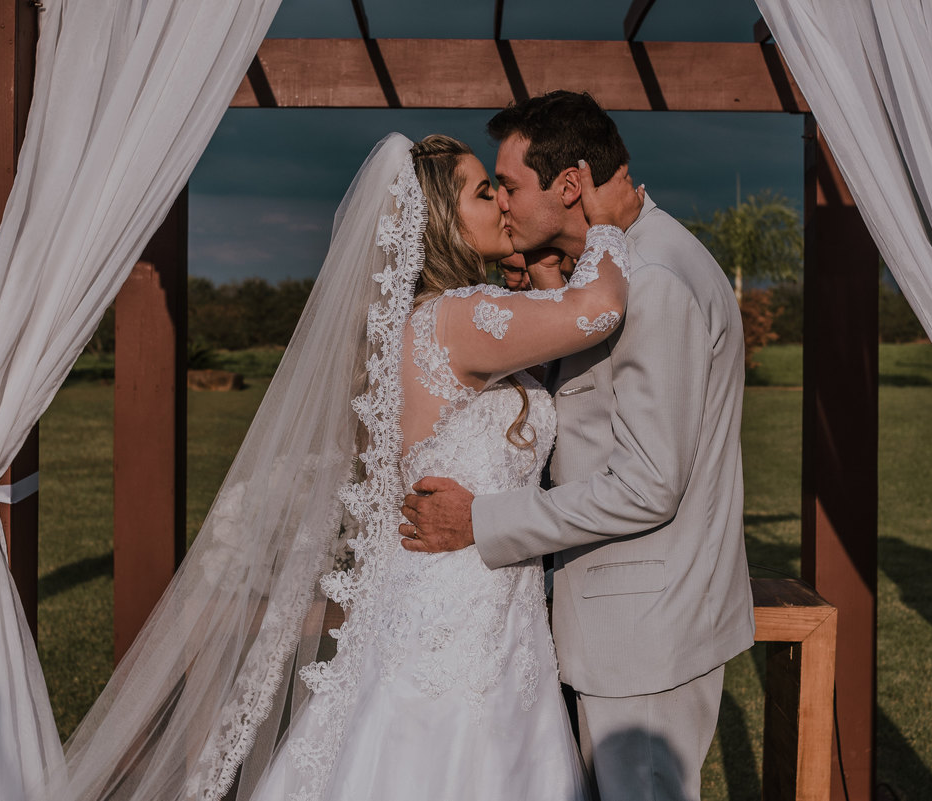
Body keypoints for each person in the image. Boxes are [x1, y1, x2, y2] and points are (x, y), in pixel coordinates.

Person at [51, 132, 642, 801]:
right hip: (455, 620)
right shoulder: (458, 318)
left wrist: (541, 276)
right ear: (440, 220)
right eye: (485, 193)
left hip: (483, 609)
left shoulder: (433, 321)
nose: (504, 204)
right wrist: (607, 228)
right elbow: (599, 310)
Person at [401, 91, 755, 801]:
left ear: (569, 185)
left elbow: (648, 485)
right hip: (570, 629)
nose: (503, 204)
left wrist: (482, 520)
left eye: (507, 185)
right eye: (490, 190)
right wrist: (554, 275)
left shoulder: (651, 281)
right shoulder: (614, 271)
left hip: (644, 636)